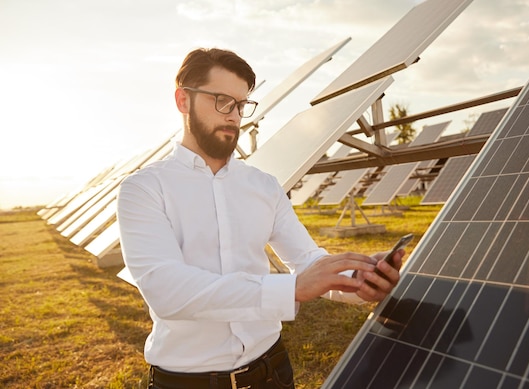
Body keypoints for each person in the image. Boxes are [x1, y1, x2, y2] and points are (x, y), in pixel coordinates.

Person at [116, 47, 404, 389]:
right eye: (222, 100)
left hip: (273, 373)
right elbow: (168, 291)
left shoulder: (263, 186)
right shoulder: (144, 189)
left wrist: (357, 279)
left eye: (241, 105)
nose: (234, 116)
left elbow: (307, 260)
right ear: (183, 100)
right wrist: (292, 288)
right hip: (186, 382)